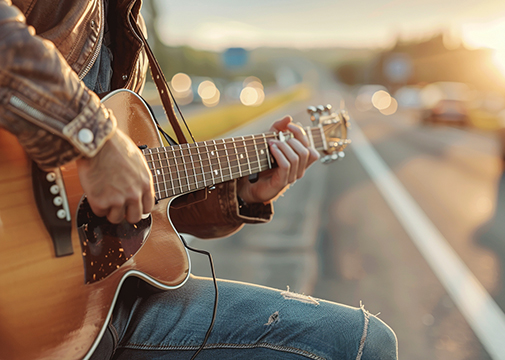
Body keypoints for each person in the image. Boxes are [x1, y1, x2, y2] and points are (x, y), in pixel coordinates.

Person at [0, 0, 398, 359]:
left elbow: (130, 206)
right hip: (31, 315)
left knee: (362, 342)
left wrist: (242, 191)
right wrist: (95, 139)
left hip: (103, 303)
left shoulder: (123, 20)